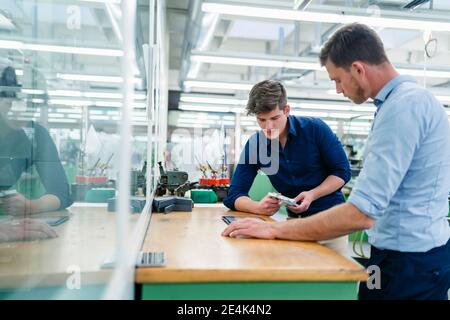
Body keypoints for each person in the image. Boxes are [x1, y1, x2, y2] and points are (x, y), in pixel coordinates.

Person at [222, 23, 450, 300]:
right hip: (399, 254)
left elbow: (362, 212)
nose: (339, 90)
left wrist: (276, 229)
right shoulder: (399, 104)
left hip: (411, 262)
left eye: (337, 80)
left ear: (357, 68)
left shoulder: (403, 108)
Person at [223, 79, 351, 255]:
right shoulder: (256, 144)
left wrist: (312, 194)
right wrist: (257, 207)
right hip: (293, 226)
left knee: (334, 279)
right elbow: (234, 195)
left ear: (287, 110)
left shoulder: (316, 129)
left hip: (330, 223)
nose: (269, 127)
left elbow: (342, 172)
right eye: (261, 120)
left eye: (275, 118)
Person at [0, 65, 73, 217]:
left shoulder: (36, 135)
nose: (22, 112)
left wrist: (31, 206)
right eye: (12, 103)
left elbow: (62, 193)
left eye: (32, 106)